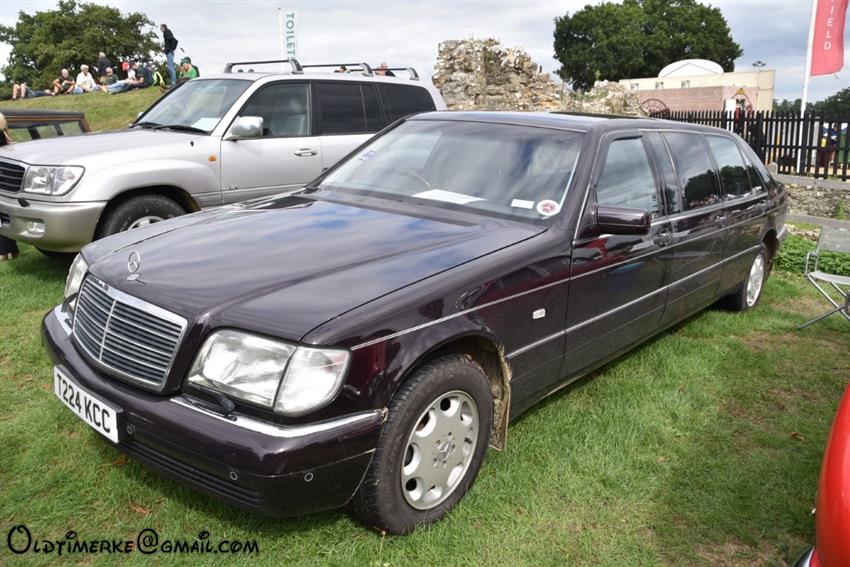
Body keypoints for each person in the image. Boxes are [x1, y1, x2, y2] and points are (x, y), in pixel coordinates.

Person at [0, 113, 19, 261]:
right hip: (6, 180)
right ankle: (10, 250)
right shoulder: (4, 136)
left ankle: (4, 251)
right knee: (5, 215)